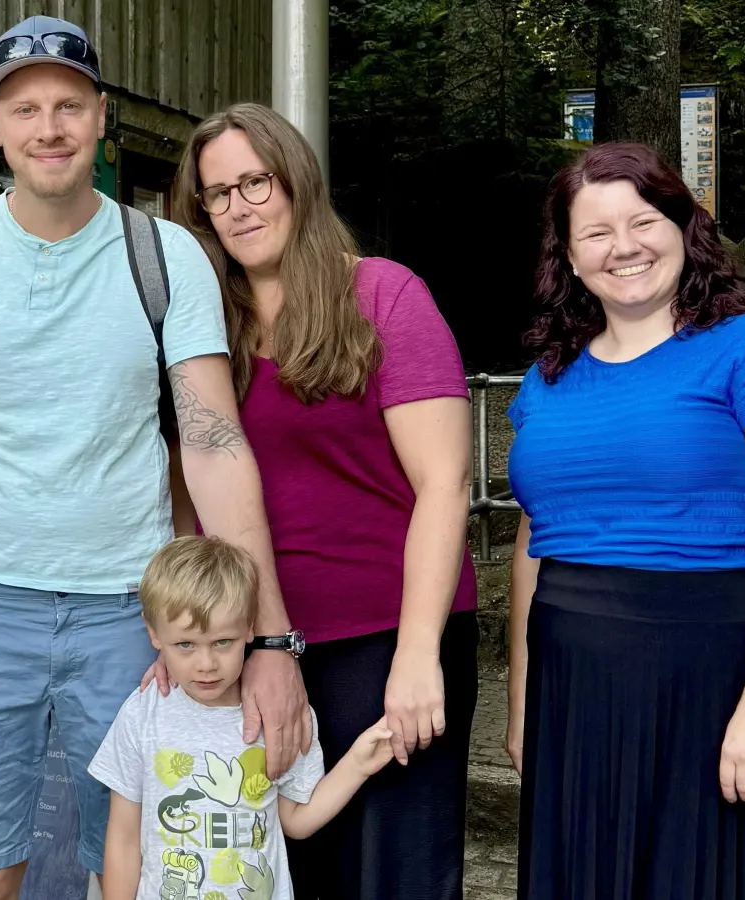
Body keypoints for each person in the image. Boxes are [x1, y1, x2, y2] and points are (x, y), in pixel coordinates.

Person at [0, 16, 308, 900]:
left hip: (133, 619)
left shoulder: (164, 255)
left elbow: (215, 446)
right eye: (24, 108)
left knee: (142, 866)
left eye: (69, 105)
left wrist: (267, 637)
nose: (49, 128)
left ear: (102, 116)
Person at [163, 102, 480, 900]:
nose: (239, 208)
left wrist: (417, 656)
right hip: (254, 642)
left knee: (397, 870)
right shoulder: (204, 326)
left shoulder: (382, 296)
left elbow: (446, 484)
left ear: (295, 181)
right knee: (280, 865)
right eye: (217, 194)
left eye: (254, 183)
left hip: (387, 632)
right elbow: (186, 492)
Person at [505, 141, 745, 899]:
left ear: (684, 228)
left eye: (643, 220)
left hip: (712, 680)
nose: (623, 246)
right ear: (571, 257)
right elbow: (535, 536)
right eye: (596, 232)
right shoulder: (546, 379)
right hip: (574, 690)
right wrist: (524, 702)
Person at [92, 536, 397, 900]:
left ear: (250, 628)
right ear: (154, 633)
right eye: (186, 645)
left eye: (223, 642)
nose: (206, 664)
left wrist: (359, 764)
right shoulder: (144, 712)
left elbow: (297, 821)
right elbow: (123, 839)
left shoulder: (278, 715)